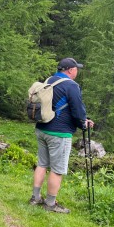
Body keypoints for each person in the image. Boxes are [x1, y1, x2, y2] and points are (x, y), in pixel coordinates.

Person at [29, 58, 94, 214]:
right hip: (59, 133)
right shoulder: (72, 86)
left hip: (42, 128)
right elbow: (78, 111)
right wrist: (83, 124)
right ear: (70, 70)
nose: (77, 71)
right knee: (57, 169)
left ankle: (35, 198)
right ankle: (50, 204)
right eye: (76, 68)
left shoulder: (50, 80)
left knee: (42, 164)